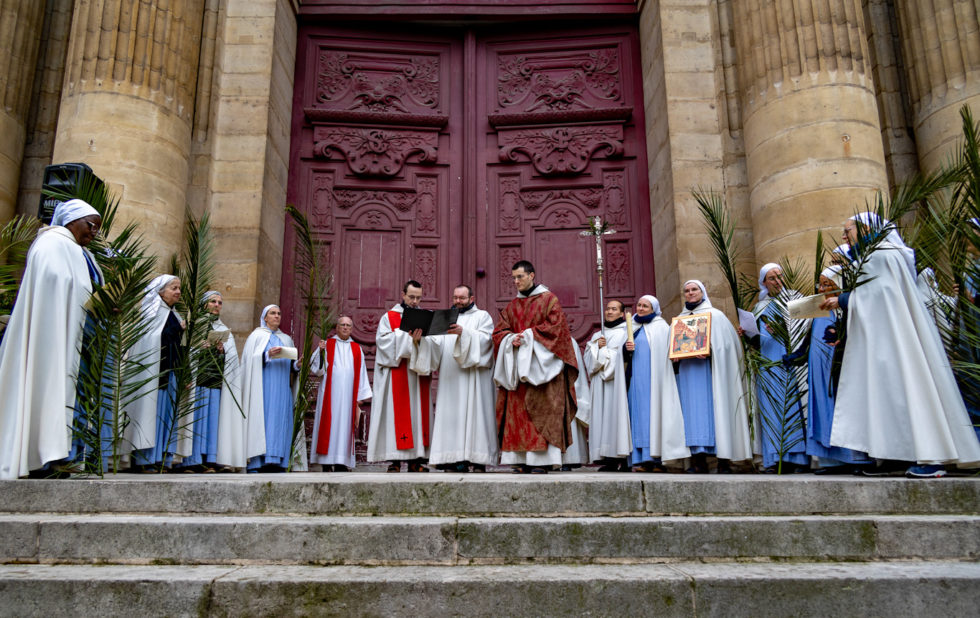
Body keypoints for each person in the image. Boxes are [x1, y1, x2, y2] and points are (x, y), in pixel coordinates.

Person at [820, 213, 980, 477]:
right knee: (888, 396)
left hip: (896, 344)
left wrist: (844, 299)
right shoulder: (874, 255)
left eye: (848, 230)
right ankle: (896, 454)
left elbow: (880, 293)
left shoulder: (882, 254)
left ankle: (932, 456)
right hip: (881, 342)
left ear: (867, 228)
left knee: (908, 392)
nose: (844, 236)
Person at [0, 199, 103, 479]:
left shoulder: (82, 253)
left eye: (97, 229)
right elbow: (55, 284)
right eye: (91, 225)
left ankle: (66, 456)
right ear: (71, 220)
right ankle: (42, 458)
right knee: (51, 387)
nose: (93, 233)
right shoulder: (52, 243)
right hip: (57, 332)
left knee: (75, 394)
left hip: (81, 334)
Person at [492, 260, 579, 474]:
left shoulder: (549, 300)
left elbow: (556, 329)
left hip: (543, 369)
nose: (516, 281)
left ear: (532, 275)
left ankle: (541, 461)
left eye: (520, 277)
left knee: (543, 412)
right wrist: (509, 339)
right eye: (513, 278)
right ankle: (520, 460)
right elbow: (499, 332)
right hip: (518, 372)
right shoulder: (512, 306)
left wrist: (528, 337)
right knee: (518, 415)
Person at [784, 267, 871, 474]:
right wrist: (798, 355)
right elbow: (811, 336)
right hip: (819, 370)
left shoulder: (848, 307)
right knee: (823, 411)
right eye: (820, 284)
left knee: (842, 410)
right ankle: (831, 461)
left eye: (827, 285)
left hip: (839, 367)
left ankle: (856, 459)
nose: (822, 288)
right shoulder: (819, 308)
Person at [414, 285, 498, 472]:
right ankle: (451, 458)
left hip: (474, 377)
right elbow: (435, 344)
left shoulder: (482, 317)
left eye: (462, 298)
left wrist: (464, 333)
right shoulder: (444, 318)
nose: (458, 301)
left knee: (476, 415)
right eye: (455, 298)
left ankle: (477, 460)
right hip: (450, 376)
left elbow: (486, 341)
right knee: (451, 417)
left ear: (472, 298)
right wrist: (421, 340)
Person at [673, 280, 752, 473]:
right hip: (688, 374)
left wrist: (710, 350)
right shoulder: (679, 320)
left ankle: (723, 461)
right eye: (687, 291)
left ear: (702, 292)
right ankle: (698, 461)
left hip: (711, 375)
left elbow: (727, 346)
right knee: (692, 417)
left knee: (717, 413)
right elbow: (672, 348)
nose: (690, 293)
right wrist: (675, 356)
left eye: (694, 290)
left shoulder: (716, 316)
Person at [747, 264, 810, 473]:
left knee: (792, 407)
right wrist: (746, 333)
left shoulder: (794, 298)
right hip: (767, 364)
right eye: (771, 278)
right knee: (771, 410)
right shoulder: (759, 307)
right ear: (764, 282)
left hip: (789, 362)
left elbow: (806, 327)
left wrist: (784, 327)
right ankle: (774, 459)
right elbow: (755, 339)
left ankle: (798, 459)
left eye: (779, 277)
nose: (777, 281)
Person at [368, 280, 432, 472]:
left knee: (417, 415)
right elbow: (384, 342)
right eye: (411, 297)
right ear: (402, 294)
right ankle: (394, 461)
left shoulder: (426, 317)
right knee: (395, 417)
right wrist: (408, 338)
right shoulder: (389, 317)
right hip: (397, 373)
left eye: (418, 297)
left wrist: (423, 341)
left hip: (417, 374)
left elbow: (434, 344)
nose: (414, 301)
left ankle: (416, 460)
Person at [177, 291, 242, 472]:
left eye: (220, 302)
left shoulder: (223, 328)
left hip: (215, 383)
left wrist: (222, 351)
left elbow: (230, 360)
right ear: (205, 304)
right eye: (213, 301)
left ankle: (209, 460)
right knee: (195, 421)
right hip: (198, 382)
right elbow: (185, 350)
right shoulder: (194, 326)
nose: (216, 305)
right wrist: (200, 347)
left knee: (212, 423)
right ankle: (191, 461)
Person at [623, 295, 689, 472]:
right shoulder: (632, 327)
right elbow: (622, 356)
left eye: (646, 306)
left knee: (655, 415)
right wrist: (625, 349)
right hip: (636, 382)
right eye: (639, 305)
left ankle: (657, 459)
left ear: (654, 309)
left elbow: (671, 350)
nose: (641, 308)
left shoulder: (661, 328)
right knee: (638, 416)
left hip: (655, 382)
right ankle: (641, 459)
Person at [126, 275, 185, 472]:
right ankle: (144, 459)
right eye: (173, 288)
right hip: (154, 373)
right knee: (150, 414)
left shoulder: (174, 315)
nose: (178, 292)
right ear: (160, 292)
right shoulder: (152, 313)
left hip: (170, 372)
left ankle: (161, 457)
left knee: (165, 416)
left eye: (178, 288)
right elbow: (152, 338)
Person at [240, 304, 302, 473]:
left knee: (279, 421)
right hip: (263, 388)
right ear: (265, 317)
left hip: (282, 388)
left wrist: (297, 364)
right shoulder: (257, 336)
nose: (276, 316)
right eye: (272, 313)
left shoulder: (286, 339)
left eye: (279, 314)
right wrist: (268, 355)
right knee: (263, 420)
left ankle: (278, 462)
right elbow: (249, 362)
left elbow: (291, 368)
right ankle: (257, 461)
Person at [309, 315, 370, 472]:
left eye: (348, 325)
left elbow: (362, 373)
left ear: (351, 329)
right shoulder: (327, 344)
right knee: (329, 424)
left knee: (344, 426)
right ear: (336, 327)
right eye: (342, 325)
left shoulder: (357, 349)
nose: (345, 327)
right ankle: (326, 461)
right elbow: (318, 369)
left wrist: (359, 400)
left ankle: (342, 462)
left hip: (349, 397)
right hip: (329, 395)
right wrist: (320, 352)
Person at [584, 300, 631, 471]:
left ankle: (624, 459)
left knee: (617, 417)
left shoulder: (626, 332)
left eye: (614, 309)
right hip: (599, 382)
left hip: (616, 382)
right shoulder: (598, 335)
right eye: (608, 309)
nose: (609, 312)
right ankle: (609, 459)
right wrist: (596, 347)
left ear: (621, 313)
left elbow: (624, 356)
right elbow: (589, 359)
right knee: (604, 419)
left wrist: (602, 352)